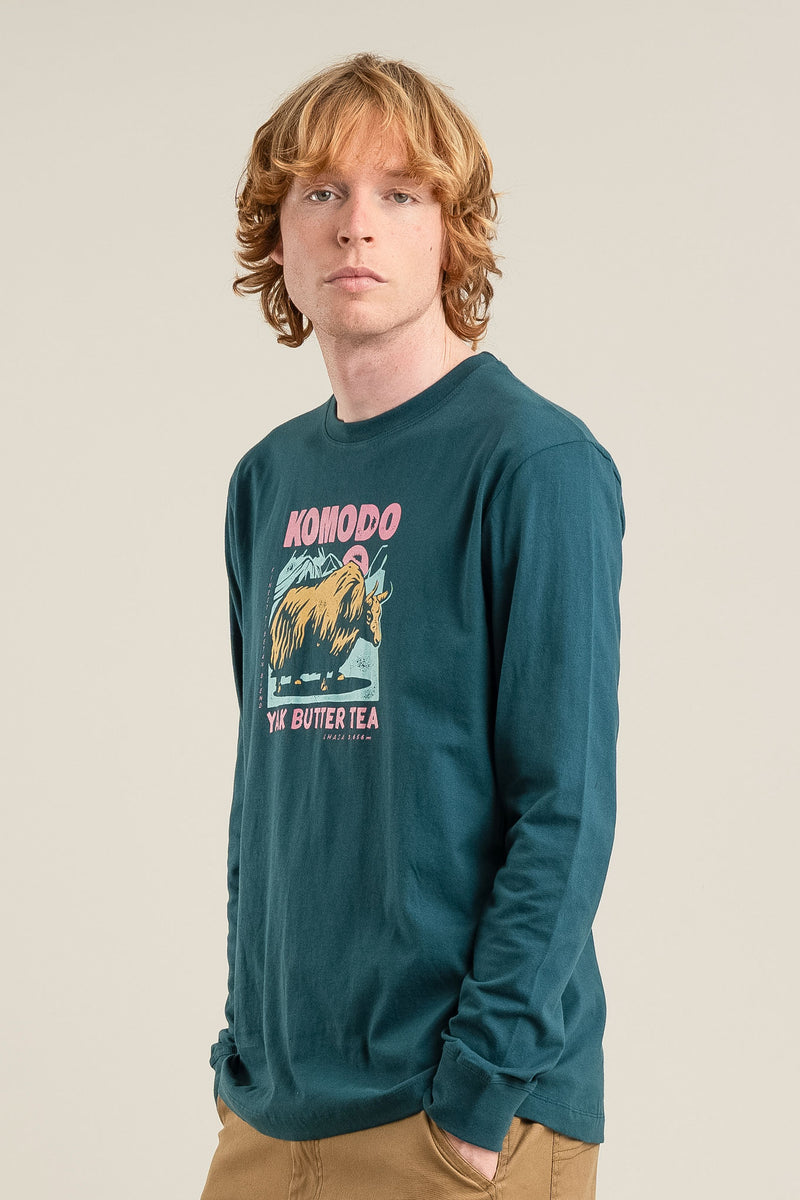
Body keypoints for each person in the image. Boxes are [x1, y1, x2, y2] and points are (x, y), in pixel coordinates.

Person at [200, 51, 625, 1200]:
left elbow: (563, 808)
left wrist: (474, 1101)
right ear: (276, 234)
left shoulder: (534, 463)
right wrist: (245, 1043)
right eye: (321, 191)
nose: (356, 226)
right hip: (271, 1111)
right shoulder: (266, 481)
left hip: (454, 1121)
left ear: (452, 233)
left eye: (399, 193)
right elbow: (269, 789)